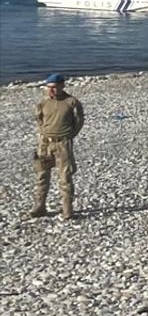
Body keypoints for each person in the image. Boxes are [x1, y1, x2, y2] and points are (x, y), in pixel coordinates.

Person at [29, 74, 85, 220]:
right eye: (48, 88)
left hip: (63, 144)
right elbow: (39, 120)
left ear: (62, 86)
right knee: (42, 175)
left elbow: (79, 119)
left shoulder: (71, 102)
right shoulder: (42, 103)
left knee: (65, 176)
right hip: (45, 143)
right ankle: (39, 207)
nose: (51, 91)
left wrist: (72, 134)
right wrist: (44, 134)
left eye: (54, 87)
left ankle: (67, 209)